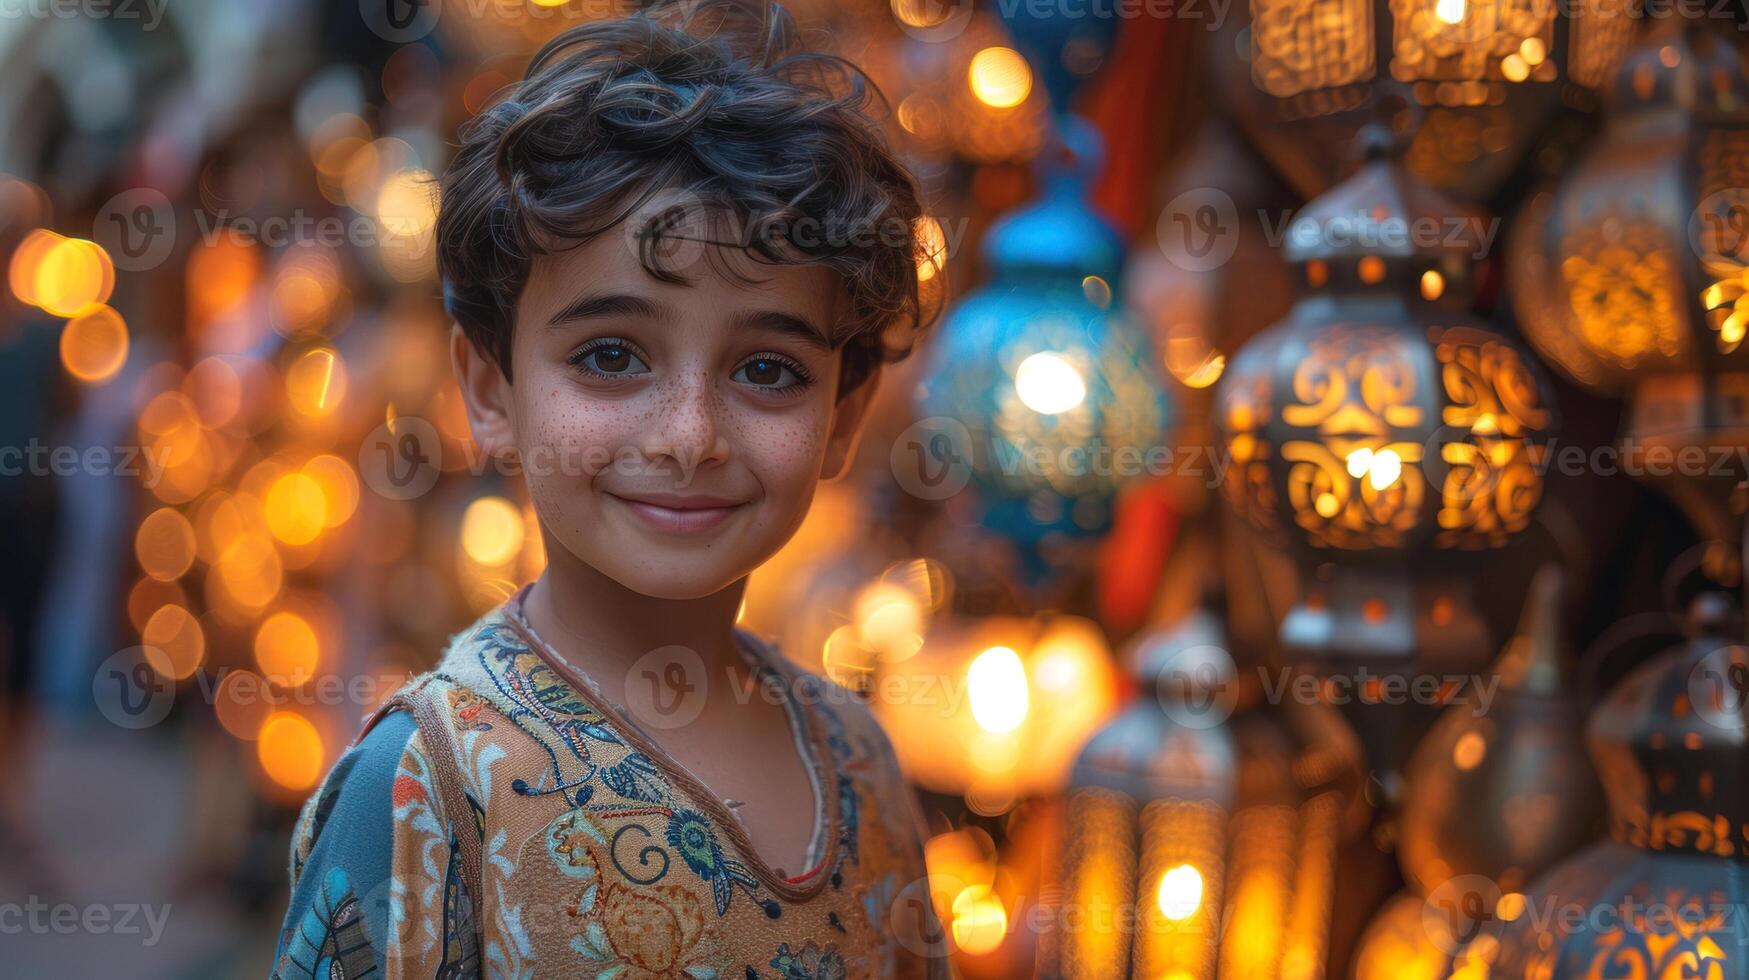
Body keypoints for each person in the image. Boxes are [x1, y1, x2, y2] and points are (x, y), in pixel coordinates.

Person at [271, 2, 946, 976]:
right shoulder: (429, 785)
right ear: (491, 388)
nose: (689, 437)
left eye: (766, 370)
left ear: (842, 416)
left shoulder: (859, 760)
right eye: (612, 353)